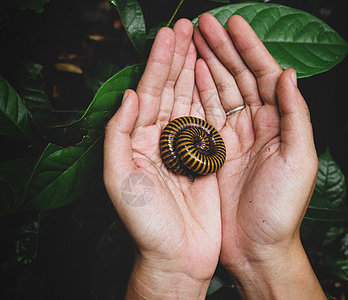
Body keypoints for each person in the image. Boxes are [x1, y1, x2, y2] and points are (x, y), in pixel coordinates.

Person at [103, 13, 327, 299]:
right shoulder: (199, 145)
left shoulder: (200, 146)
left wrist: (267, 253)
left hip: (194, 140)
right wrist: (269, 256)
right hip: (195, 140)